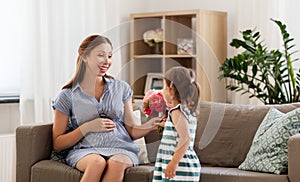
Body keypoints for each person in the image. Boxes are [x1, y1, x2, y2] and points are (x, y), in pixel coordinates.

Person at [52, 34, 160, 182]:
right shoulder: (67, 95)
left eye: (109, 56)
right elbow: (58, 144)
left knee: (117, 163)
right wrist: (88, 127)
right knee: (96, 163)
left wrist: (151, 125)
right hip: (85, 150)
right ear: (84, 56)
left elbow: (132, 131)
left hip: (122, 149)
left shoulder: (121, 88)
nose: (107, 61)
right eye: (100, 55)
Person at [153, 66, 201, 181]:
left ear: (171, 89)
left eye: (163, 87)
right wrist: (163, 125)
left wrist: (174, 162)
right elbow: (179, 131)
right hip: (182, 164)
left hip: (179, 165)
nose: (162, 90)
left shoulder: (177, 112)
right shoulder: (185, 111)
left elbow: (185, 138)